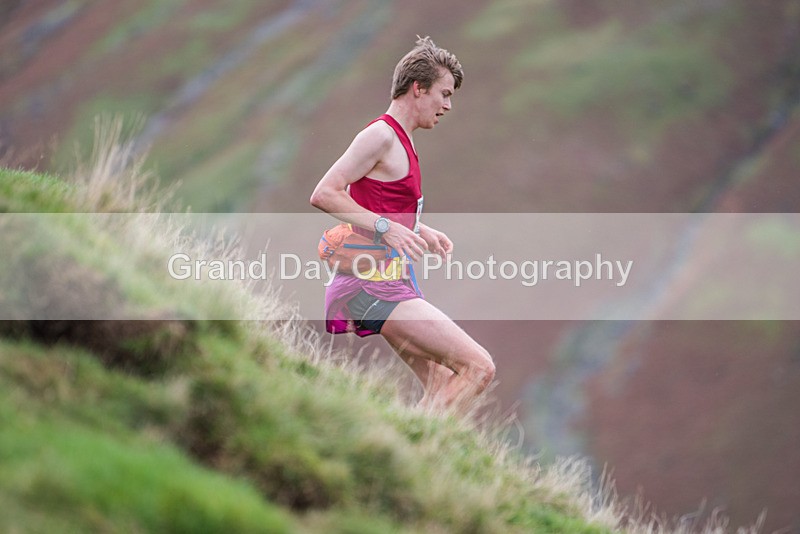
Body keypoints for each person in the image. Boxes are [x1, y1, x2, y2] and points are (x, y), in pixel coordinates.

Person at [310, 36, 495, 411]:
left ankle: (413, 446)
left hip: (388, 281)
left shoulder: (402, 140)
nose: (447, 105)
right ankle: (426, 446)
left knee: (442, 382)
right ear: (417, 88)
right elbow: (325, 192)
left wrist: (417, 229)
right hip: (372, 284)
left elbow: (374, 201)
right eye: (444, 93)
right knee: (478, 367)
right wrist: (387, 228)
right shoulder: (380, 135)